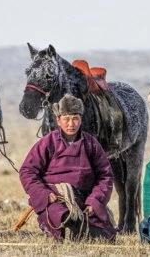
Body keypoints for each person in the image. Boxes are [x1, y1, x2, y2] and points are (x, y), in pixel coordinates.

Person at [19, 94, 116, 242]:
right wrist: (44, 194)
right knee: (60, 216)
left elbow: (105, 175)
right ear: (58, 120)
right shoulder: (48, 142)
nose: (71, 124)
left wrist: (94, 201)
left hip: (84, 199)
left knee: (104, 234)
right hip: (56, 198)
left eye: (75, 118)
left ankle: (83, 228)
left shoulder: (91, 144)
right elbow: (27, 171)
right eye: (66, 119)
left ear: (81, 119)